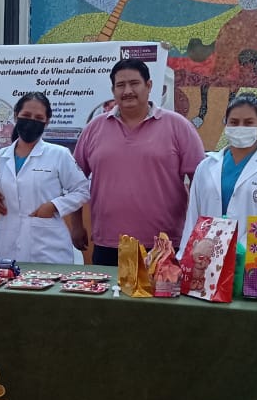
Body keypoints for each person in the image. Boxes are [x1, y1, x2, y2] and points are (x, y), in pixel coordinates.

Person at [72, 57, 205, 266]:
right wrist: (76, 225)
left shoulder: (178, 126)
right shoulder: (94, 128)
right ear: (113, 90)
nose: (127, 91)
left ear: (149, 86)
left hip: (163, 244)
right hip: (108, 243)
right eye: (120, 85)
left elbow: (202, 182)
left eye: (134, 83)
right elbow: (75, 181)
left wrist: (200, 233)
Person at [179, 93, 257, 253]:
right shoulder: (206, 166)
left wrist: (239, 250)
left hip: (251, 255)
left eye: (248, 123)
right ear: (226, 124)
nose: (241, 127)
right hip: (205, 256)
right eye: (234, 122)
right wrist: (186, 254)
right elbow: (193, 216)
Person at [0, 93, 88, 264]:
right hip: (7, 243)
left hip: (47, 247)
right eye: (26, 115)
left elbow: (82, 190)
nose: (31, 121)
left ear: (47, 121)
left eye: (39, 118)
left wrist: (54, 206)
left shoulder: (59, 154)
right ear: (16, 116)